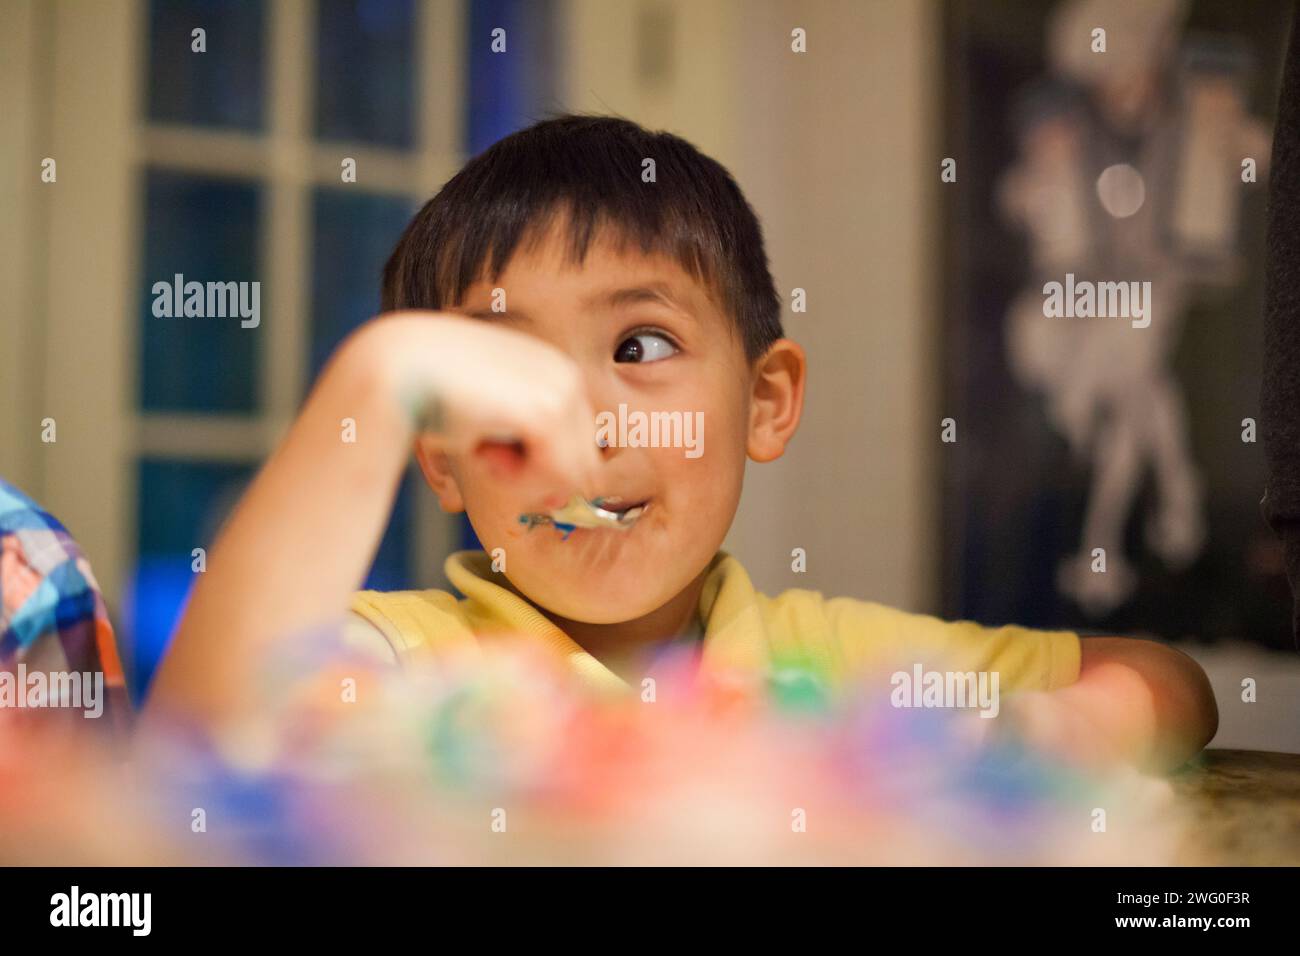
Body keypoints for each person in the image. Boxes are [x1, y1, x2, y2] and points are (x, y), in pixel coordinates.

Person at [146, 115, 1217, 771]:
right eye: (500, 369)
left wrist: (1067, 734)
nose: (584, 416)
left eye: (642, 342)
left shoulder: (836, 664)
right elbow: (198, 743)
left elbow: (1168, 679)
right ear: (439, 453)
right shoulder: (408, 660)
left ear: (765, 402)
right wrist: (375, 380)